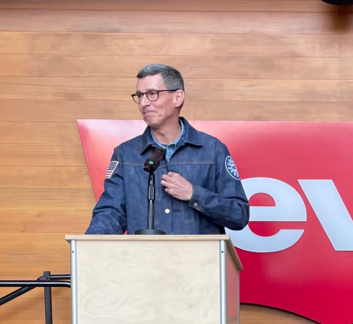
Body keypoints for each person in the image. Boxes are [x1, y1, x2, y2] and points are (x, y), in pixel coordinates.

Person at [85, 64, 249, 235]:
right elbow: (110, 214)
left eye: (152, 94)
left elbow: (239, 215)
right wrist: (86, 251)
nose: (144, 103)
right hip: (143, 260)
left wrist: (194, 194)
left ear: (178, 97)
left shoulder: (212, 150)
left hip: (198, 260)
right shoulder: (125, 154)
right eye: (140, 96)